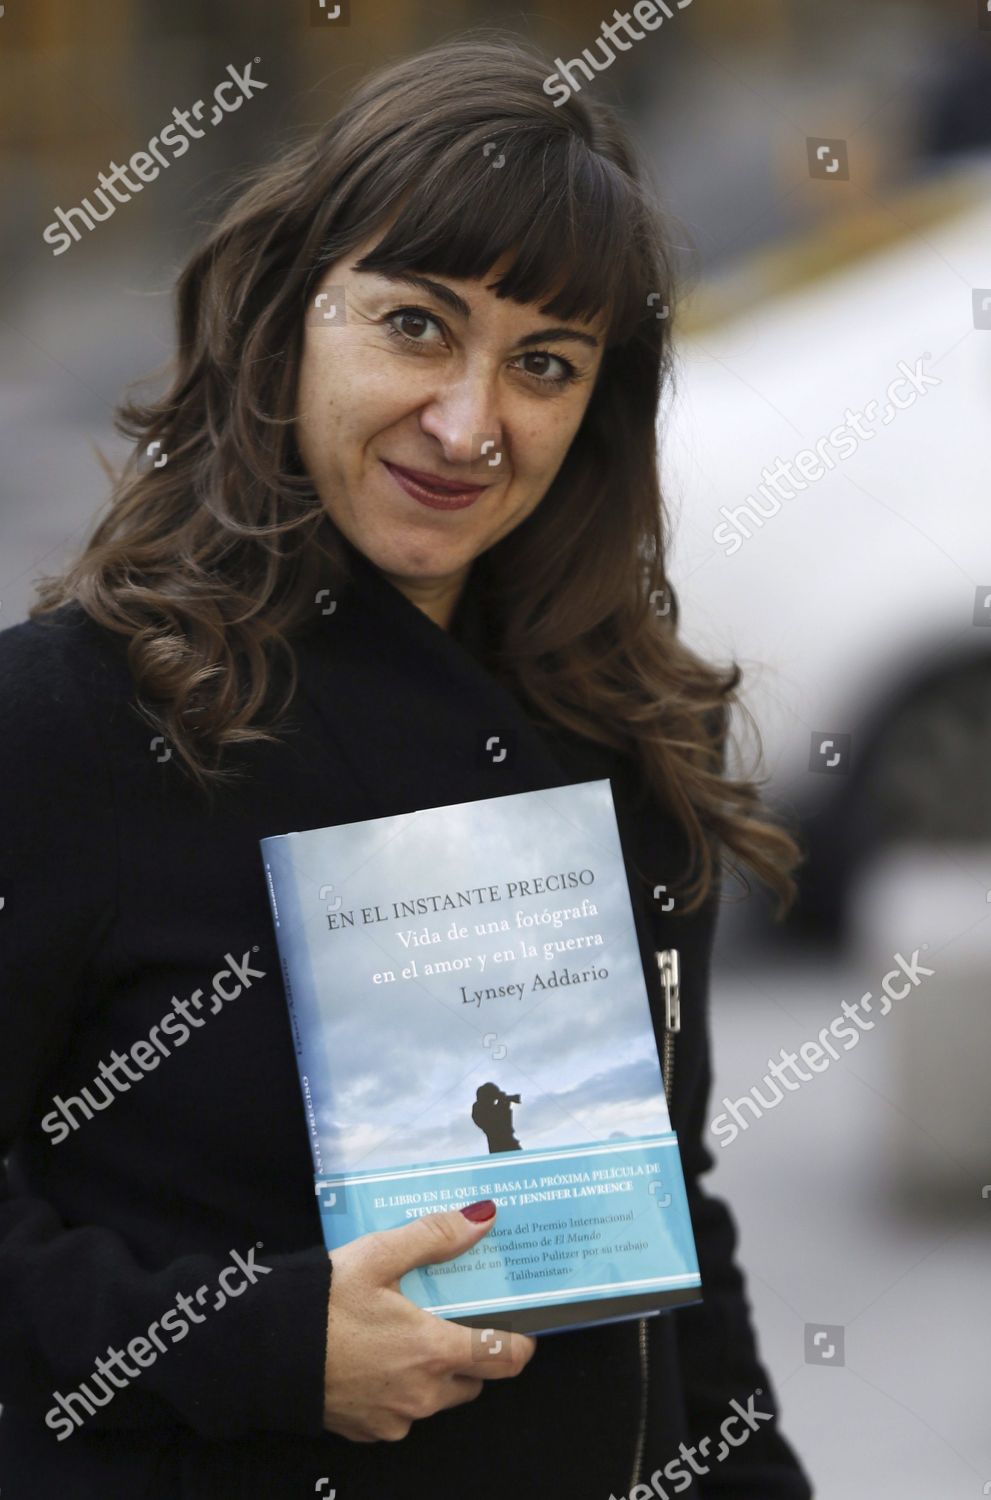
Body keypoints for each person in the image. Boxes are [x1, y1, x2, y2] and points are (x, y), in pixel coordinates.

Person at [0, 30, 815, 1499]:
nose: (468, 424)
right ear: (290, 315)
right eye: (417, 327)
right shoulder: (68, 720)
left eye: (544, 365)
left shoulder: (624, 737)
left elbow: (666, 1233)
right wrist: (255, 1341)